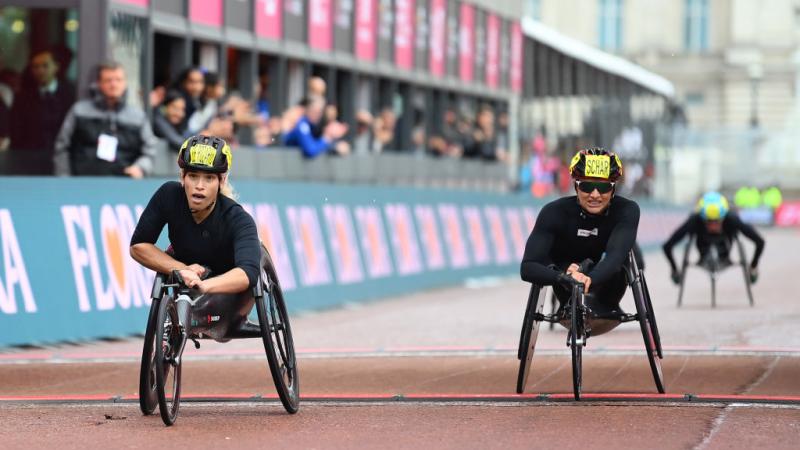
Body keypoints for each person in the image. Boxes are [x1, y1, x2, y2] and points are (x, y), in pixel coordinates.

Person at [129, 135, 262, 342]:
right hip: (187, 274)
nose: (199, 186)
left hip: (228, 291)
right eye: (193, 176)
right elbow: (139, 246)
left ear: (221, 181)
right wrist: (180, 269)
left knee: (255, 256)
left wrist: (205, 285)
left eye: (209, 178)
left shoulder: (238, 218)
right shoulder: (169, 195)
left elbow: (248, 274)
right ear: (183, 177)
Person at [520, 148, 638, 334]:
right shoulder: (553, 212)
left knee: (620, 259)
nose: (595, 195)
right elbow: (528, 266)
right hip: (567, 285)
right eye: (587, 187)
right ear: (576, 186)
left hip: (608, 288)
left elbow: (616, 255)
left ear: (613, 189)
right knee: (558, 261)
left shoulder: (627, 210)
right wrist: (564, 278)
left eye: (604, 187)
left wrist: (588, 279)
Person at [53, 61, 157, 177]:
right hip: (82, 183)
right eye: (108, 80)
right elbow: (62, 147)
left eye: (118, 80)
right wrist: (64, 178)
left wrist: (140, 168)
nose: (113, 84)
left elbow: (149, 150)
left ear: (125, 83)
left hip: (125, 185)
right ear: (99, 83)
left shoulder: (138, 116)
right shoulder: (79, 111)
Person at [662, 191, 765, 283]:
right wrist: (675, 270)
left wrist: (753, 266)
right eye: (709, 221)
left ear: (723, 217)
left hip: (725, 253)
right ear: (702, 218)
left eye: (717, 221)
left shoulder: (732, 219)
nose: (713, 225)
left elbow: (760, 241)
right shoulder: (694, 220)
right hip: (703, 253)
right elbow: (667, 246)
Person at [9, 50, 75, 153]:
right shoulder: (23, 98)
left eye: (45, 66)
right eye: (35, 67)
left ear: (56, 67)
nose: (40, 71)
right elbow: (16, 131)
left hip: (61, 154)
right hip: (30, 156)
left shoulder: (69, 95)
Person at [284, 95, 348, 158]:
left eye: (319, 112)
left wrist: (335, 146)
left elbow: (317, 144)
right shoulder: (302, 125)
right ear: (307, 110)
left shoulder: (313, 126)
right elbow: (310, 150)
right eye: (314, 111)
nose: (317, 115)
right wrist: (327, 138)